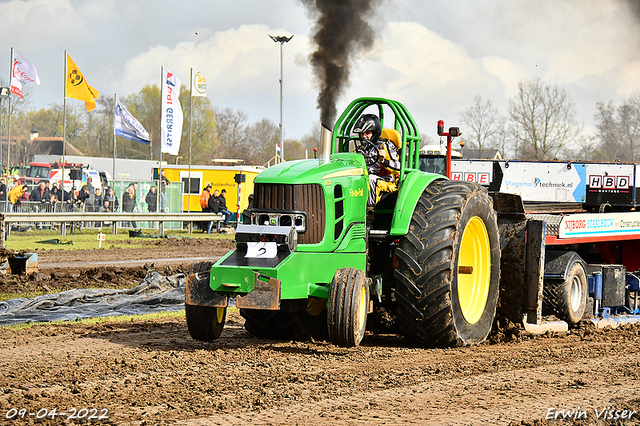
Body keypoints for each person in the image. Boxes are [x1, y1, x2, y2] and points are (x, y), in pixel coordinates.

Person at [353, 113, 401, 208]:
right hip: (365, 181)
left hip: (386, 183)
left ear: (375, 133)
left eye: (367, 133)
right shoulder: (359, 150)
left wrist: (384, 161)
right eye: (362, 134)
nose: (364, 136)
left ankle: (369, 212)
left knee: (371, 179)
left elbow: (399, 167)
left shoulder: (385, 146)